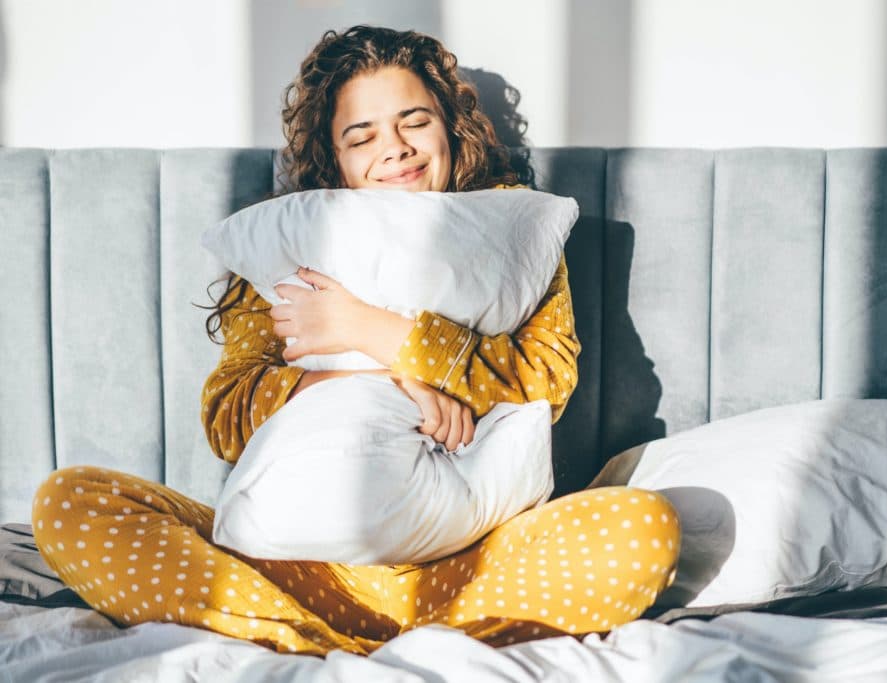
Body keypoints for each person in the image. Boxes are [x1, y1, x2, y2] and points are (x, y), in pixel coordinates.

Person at [31, 25, 681, 657]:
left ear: (451, 126)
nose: (393, 147)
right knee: (68, 501)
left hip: (474, 563)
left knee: (643, 530)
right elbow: (230, 413)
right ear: (334, 157)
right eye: (361, 134)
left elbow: (545, 379)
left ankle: (320, 636)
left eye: (414, 120)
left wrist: (369, 330)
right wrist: (383, 383)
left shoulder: (513, 231)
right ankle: (320, 637)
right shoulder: (294, 242)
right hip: (296, 565)